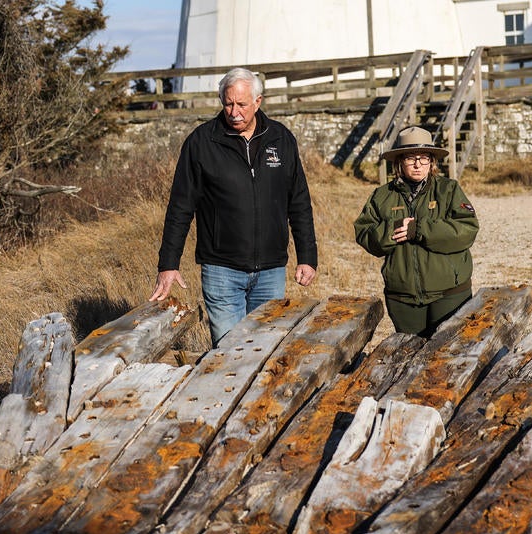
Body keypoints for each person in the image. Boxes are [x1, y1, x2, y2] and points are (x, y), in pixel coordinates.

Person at [151, 67, 318, 346]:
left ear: (258, 101)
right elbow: (180, 207)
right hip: (221, 270)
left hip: (271, 270)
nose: (234, 112)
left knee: (265, 350)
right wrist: (168, 264)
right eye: (228, 103)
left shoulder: (281, 139)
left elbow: (298, 201)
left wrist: (307, 256)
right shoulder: (201, 142)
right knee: (230, 352)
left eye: (241, 104)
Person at [353, 126, 479, 337]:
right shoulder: (382, 196)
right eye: (411, 158)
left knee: (449, 354)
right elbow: (364, 233)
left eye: (424, 158)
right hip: (402, 298)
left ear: (432, 161)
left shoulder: (449, 190)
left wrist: (419, 229)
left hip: (449, 294)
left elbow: (467, 229)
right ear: (400, 161)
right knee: (410, 357)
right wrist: (392, 230)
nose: (418, 164)